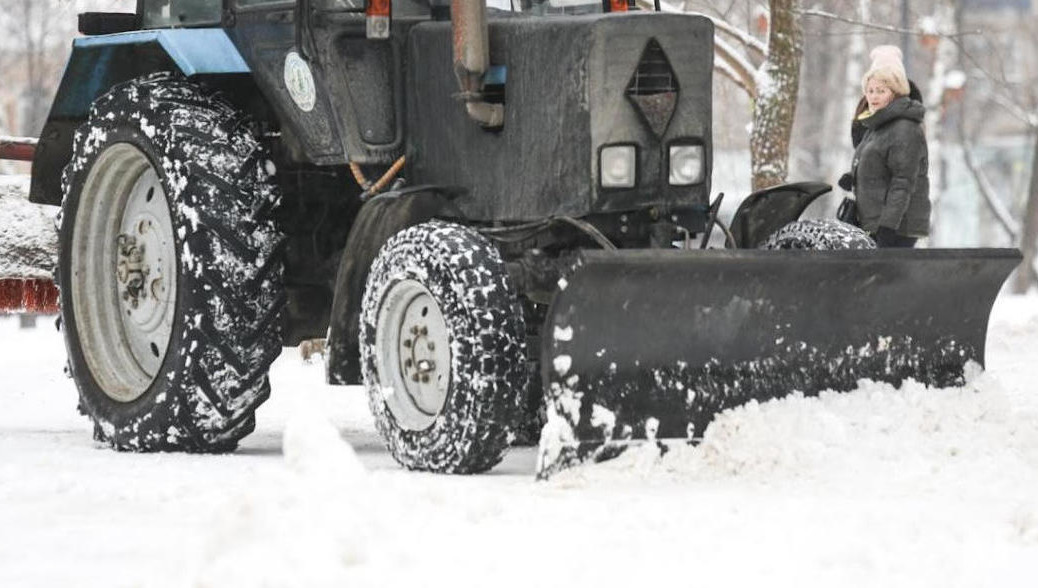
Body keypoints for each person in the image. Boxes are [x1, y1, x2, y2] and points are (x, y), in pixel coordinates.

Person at [840, 46, 931, 247]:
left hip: (896, 227)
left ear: (895, 92)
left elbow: (903, 182)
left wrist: (888, 227)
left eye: (881, 91)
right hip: (877, 222)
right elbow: (881, 165)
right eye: (870, 91)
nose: (873, 96)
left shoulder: (904, 128)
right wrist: (855, 177)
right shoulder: (877, 125)